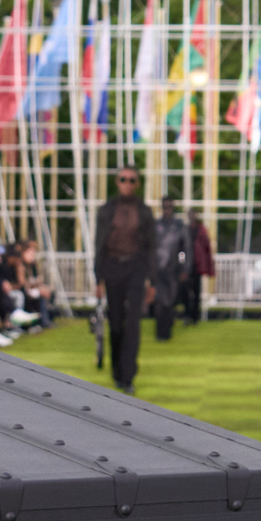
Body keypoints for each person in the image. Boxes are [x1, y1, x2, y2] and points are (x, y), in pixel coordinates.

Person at [94, 165, 153, 393]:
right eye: (123, 179)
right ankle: (117, 372)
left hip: (136, 268)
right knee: (116, 323)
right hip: (112, 268)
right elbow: (99, 243)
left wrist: (153, 280)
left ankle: (128, 376)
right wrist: (98, 278)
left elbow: (151, 246)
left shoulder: (144, 211)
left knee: (133, 324)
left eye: (131, 180)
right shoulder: (107, 210)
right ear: (117, 182)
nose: (127, 183)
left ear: (137, 184)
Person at [151, 197, 191, 342]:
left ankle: (166, 330)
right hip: (158, 269)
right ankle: (160, 332)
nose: (166, 209)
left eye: (169, 207)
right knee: (159, 300)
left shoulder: (179, 226)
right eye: (164, 207)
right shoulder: (156, 226)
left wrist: (183, 266)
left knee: (169, 300)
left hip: (173, 269)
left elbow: (183, 250)